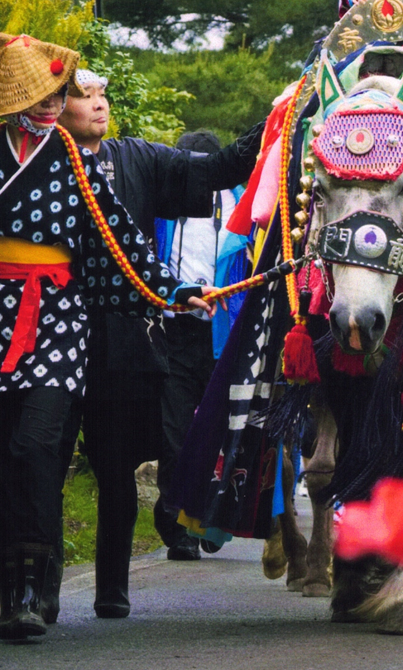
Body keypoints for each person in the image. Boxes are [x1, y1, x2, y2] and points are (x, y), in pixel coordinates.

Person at [0, 33, 214, 641]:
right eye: (42, 96)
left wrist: (167, 290)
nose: (51, 105)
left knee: (38, 446)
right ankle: (12, 596)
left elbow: (118, 237)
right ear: (13, 97)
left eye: (56, 95)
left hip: (57, 321)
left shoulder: (77, 162)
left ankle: (33, 579)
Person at [55, 74, 263, 618]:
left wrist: (281, 118)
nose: (99, 103)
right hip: (45, 333)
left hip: (121, 337)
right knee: (38, 462)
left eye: (103, 95)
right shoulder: (33, 165)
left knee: (115, 466)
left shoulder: (138, 159)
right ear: (53, 105)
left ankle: (111, 585)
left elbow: (218, 170)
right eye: (84, 95)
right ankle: (33, 588)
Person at [153, 129, 247, 558]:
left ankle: (209, 516)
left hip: (222, 332)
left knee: (220, 430)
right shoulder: (162, 203)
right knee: (174, 434)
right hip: (173, 331)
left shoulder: (243, 205)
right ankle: (176, 523)